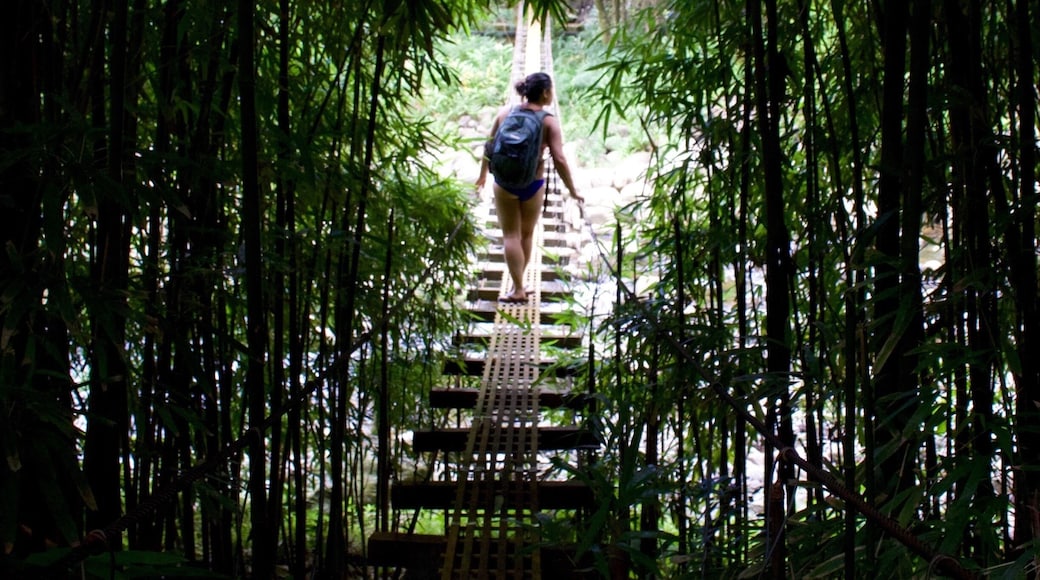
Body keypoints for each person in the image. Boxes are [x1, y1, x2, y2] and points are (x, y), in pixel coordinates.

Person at [475, 72, 583, 303]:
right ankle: (519, 286)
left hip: (503, 184)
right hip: (533, 183)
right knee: (526, 233)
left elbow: (489, 146)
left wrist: (482, 175)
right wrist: (572, 190)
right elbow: (560, 160)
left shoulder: (505, 113)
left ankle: (518, 287)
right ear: (545, 92)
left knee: (510, 235)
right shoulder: (548, 121)